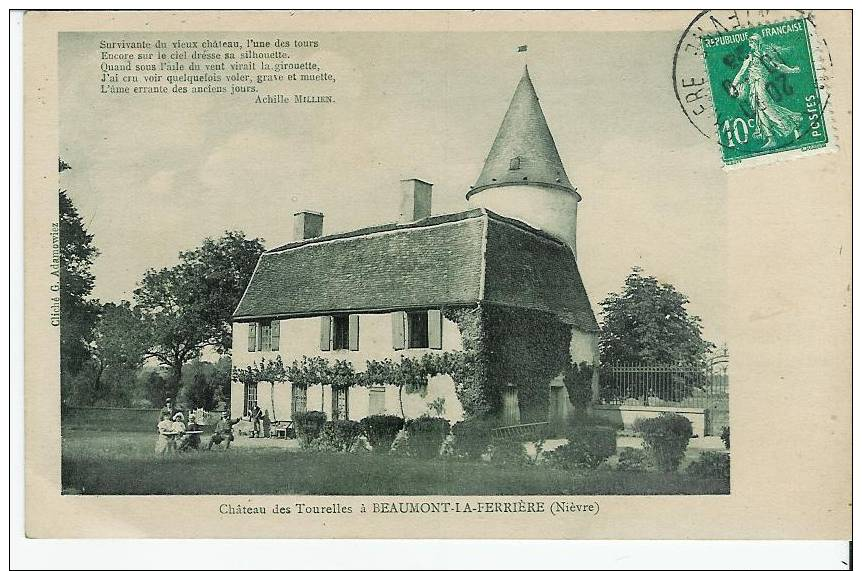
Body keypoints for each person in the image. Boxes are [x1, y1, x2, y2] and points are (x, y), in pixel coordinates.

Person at [730, 33, 802, 150]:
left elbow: (778, 66)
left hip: (760, 86)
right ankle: (771, 138)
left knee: (768, 109)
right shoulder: (750, 57)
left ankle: (791, 125)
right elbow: (741, 73)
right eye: (750, 42)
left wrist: (792, 70)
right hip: (754, 87)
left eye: (752, 42)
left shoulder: (764, 56)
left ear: (758, 43)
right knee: (760, 111)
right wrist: (733, 86)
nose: (750, 44)